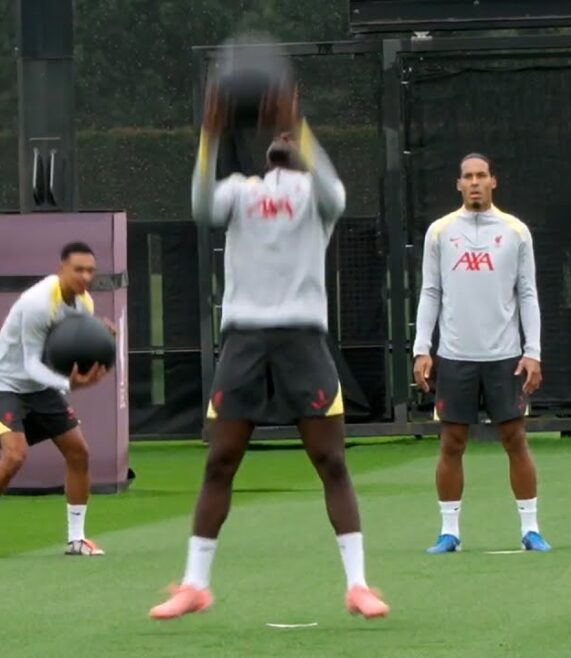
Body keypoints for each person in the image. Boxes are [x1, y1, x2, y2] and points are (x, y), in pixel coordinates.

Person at [148, 85, 389, 620]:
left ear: (302, 147)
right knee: (220, 460)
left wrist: (298, 123)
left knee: (331, 460)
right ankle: (194, 585)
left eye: (292, 135)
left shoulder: (316, 198)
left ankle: (358, 585)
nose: (282, 138)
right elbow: (199, 206)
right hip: (245, 339)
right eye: (277, 133)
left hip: (303, 339)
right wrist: (209, 136)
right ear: (262, 152)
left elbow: (338, 194)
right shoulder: (240, 191)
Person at [412, 153, 550, 554]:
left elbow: (527, 293)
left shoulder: (515, 231)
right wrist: (423, 348)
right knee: (452, 442)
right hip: (455, 356)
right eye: (467, 177)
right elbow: (430, 291)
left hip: (505, 356)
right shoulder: (439, 232)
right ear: (458, 184)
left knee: (514, 439)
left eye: (481, 176)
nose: (474, 182)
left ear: (494, 181)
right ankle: (449, 532)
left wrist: (533, 352)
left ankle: (530, 529)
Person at [0, 241, 116, 559]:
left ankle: (76, 539)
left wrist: (98, 339)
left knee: (79, 452)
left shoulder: (83, 304)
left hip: (40, 387)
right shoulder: (37, 303)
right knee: (14, 457)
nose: (85, 276)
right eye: (78, 269)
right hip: (4, 383)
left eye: (91, 270)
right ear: (61, 269)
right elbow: (33, 364)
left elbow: (66, 345)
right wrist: (69, 383)